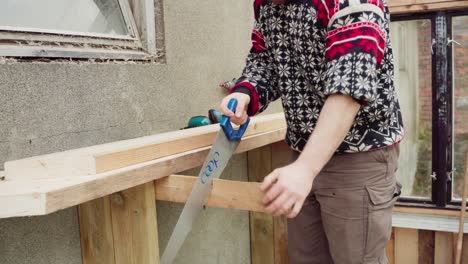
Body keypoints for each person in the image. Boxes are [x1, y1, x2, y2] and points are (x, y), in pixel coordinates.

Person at [219, 0, 404, 263]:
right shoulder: (266, 4)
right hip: (303, 153)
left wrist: (304, 170)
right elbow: (266, 58)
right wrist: (246, 91)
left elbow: (350, 88)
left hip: (358, 157)